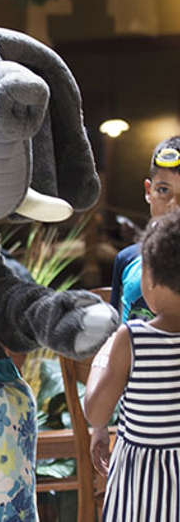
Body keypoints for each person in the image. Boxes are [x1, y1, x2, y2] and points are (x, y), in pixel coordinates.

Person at [85, 209, 180, 521]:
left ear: (147, 278)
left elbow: (97, 411)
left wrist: (104, 356)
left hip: (140, 486)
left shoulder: (132, 338)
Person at [109, 136, 180, 322]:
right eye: (164, 190)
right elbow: (114, 332)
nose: (174, 204)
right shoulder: (127, 260)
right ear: (149, 191)